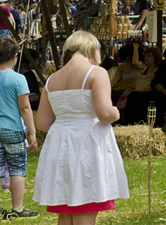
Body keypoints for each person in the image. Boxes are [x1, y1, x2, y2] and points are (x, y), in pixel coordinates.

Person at [34, 30, 129, 220]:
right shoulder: (97, 73)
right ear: (92, 49)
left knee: (66, 210)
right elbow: (104, 113)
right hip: (88, 142)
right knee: (86, 206)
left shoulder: (52, 79)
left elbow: (42, 123)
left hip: (59, 145)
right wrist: (116, 112)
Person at [0, 37, 37, 218]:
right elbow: (24, 107)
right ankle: (18, 208)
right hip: (13, 129)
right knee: (17, 168)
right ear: (15, 57)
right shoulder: (19, 79)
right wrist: (32, 132)